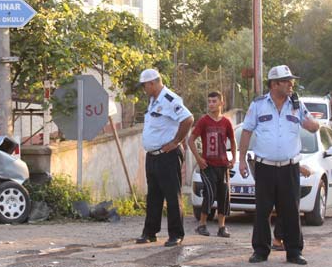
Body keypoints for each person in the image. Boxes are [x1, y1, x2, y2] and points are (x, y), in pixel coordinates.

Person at [239, 65, 319, 265]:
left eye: (291, 80)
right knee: (262, 210)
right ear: (274, 84)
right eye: (287, 80)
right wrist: (240, 160)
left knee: (291, 210)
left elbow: (312, 127)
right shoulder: (258, 105)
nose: (291, 84)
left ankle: (294, 252)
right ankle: (260, 250)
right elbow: (247, 131)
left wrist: (306, 114)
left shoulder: (296, 105)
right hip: (264, 166)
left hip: (289, 167)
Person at [135, 69, 194, 247]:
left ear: (152, 83)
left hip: (167, 156)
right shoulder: (153, 101)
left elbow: (188, 119)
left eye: (145, 85)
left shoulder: (170, 99)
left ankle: (176, 234)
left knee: (172, 195)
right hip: (152, 156)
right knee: (153, 196)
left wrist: (176, 141)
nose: (144, 89)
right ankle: (150, 232)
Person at [187, 91, 236, 238]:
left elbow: (233, 141)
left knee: (224, 195)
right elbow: (191, 140)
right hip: (208, 165)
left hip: (222, 165)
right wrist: (199, 158)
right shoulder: (204, 121)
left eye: (214, 101)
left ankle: (222, 227)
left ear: (222, 103)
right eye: (209, 101)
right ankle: (202, 224)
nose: (211, 104)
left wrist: (233, 159)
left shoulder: (226, 122)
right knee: (209, 192)